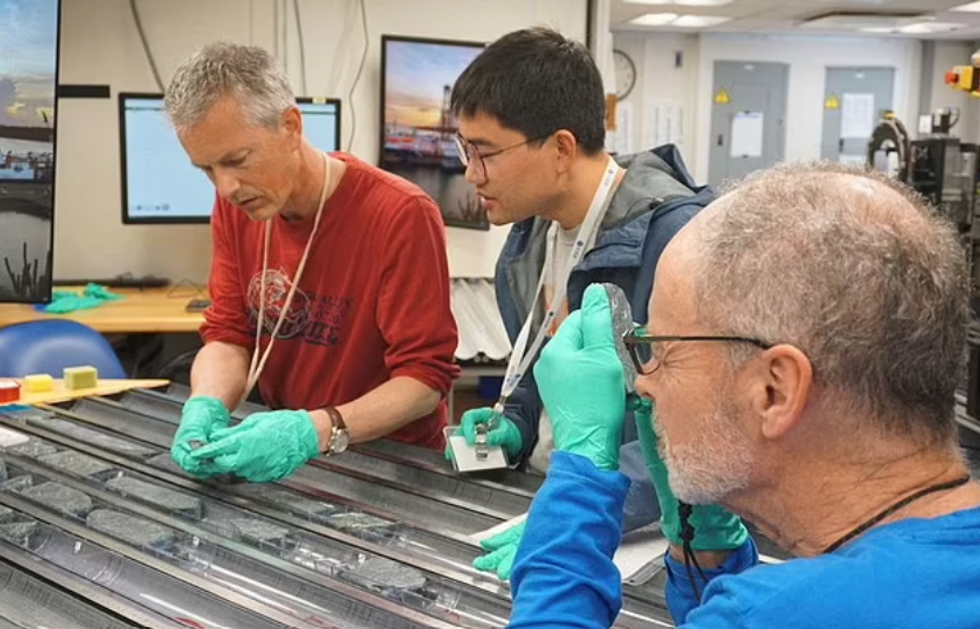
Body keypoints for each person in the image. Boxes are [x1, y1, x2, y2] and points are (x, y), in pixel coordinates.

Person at [507, 162, 980, 628]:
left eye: (662, 350)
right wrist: (708, 549)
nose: (645, 381)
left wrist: (579, 482)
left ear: (774, 390)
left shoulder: (767, 615)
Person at [446, 26, 714, 579]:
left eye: (487, 152)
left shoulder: (676, 243)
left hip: (644, 536)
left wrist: (580, 515)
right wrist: (515, 425)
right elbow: (546, 377)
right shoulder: (527, 242)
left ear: (561, 148)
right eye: (464, 150)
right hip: (557, 498)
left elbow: (701, 428)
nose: (471, 174)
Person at [164, 42, 460, 484]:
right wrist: (203, 404)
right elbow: (229, 335)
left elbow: (424, 379)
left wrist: (316, 429)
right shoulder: (236, 207)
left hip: (391, 466)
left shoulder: (399, 214)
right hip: (296, 462)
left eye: (236, 160)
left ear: (290, 125)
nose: (225, 186)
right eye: (206, 169)